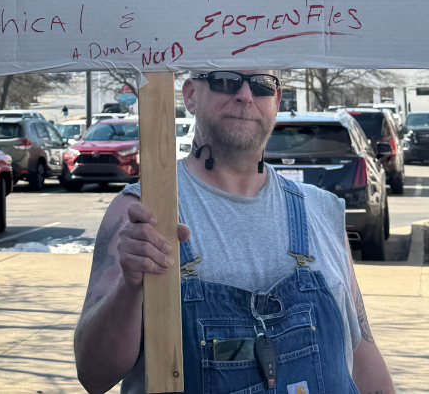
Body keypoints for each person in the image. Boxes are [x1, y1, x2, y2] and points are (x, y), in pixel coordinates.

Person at [74, 69, 394, 394]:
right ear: (190, 95)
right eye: (225, 80)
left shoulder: (323, 211)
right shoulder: (139, 211)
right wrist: (130, 288)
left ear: (277, 100)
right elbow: (93, 375)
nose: (245, 95)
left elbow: (363, 358)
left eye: (262, 85)